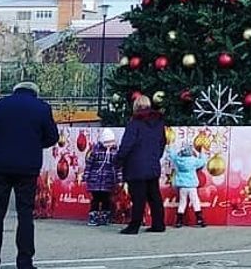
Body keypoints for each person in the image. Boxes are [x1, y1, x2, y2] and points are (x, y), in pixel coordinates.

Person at [0, 81, 59, 269]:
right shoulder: (42, 108)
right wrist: (35, 144)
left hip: (0, 166)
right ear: (35, 93)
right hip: (27, 168)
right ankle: (24, 261)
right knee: (25, 215)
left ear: (15, 91)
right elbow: (52, 137)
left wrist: (0, 142)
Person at [115, 95, 167, 234]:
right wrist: (156, 156)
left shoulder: (134, 123)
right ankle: (159, 224)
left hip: (135, 165)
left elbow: (127, 144)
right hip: (152, 164)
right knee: (154, 195)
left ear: (136, 106)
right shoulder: (159, 123)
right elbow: (162, 142)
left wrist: (119, 159)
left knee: (138, 197)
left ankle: (134, 226)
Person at [83, 129, 120, 226]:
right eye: (106, 142)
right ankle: (93, 217)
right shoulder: (95, 151)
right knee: (95, 199)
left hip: (108, 180)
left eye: (111, 142)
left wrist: (119, 179)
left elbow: (118, 167)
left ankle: (104, 217)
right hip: (95, 180)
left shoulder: (115, 152)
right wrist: (86, 177)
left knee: (106, 200)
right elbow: (89, 165)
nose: (109, 145)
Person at [167, 143, 207, 227]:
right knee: (195, 202)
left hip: (182, 186)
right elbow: (202, 162)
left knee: (182, 203)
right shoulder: (193, 161)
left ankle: (179, 221)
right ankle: (199, 219)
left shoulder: (178, 160)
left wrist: (170, 147)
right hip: (192, 186)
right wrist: (202, 152)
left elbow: (172, 156)